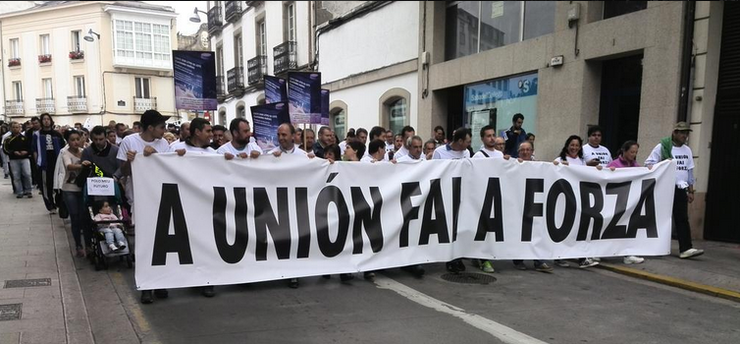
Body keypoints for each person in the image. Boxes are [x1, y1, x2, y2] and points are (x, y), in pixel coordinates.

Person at [645, 122, 704, 259]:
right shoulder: (663, 147)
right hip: (665, 187)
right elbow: (649, 164)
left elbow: (689, 171)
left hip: (680, 188)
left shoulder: (687, 150)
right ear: (675, 133)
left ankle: (686, 248)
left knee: (682, 218)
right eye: (682, 133)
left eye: (686, 133)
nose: (685, 135)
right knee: (661, 218)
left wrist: (691, 190)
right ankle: (654, 246)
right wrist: (664, 163)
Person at [553, 135, 600, 269]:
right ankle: (559, 256)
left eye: (577, 146)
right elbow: (552, 171)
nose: (574, 148)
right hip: (564, 200)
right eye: (572, 145)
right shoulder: (560, 159)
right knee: (563, 228)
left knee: (579, 229)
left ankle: (582, 258)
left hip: (579, 201)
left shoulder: (581, 162)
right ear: (567, 145)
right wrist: (559, 165)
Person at [512, 141, 554, 272]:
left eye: (528, 150)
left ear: (532, 151)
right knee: (519, 232)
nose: (525, 152)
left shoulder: (539, 166)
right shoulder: (513, 164)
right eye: (522, 150)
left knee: (536, 231)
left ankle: (538, 260)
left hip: (534, 203)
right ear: (518, 152)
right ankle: (518, 260)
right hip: (518, 204)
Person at [433, 128, 471, 273]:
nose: (469, 144)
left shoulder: (467, 153)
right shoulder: (440, 152)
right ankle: (450, 259)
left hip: (462, 194)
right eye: (467, 141)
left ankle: (458, 257)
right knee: (448, 228)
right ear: (460, 141)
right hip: (446, 194)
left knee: (460, 227)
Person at [606, 140, 645, 265]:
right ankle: (600, 252)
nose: (634, 155)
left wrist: (650, 170)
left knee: (629, 227)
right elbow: (604, 179)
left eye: (636, 152)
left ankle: (628, 253)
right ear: (624, 151)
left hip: (630, 202)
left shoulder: (636, 166)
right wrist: (609, 171)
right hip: (615, 202)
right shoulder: (614, 164)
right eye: (632, 152)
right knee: (610, 227)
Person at [58, 129, 91, 257]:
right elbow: (69, 166)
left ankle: (88, 245)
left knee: (85, 218)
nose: (76, 142)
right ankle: (78, 245)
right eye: (72, 140)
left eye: (78, 139)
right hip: (70, 189)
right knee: (75, 218)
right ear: (68, 141)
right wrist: (82, 165)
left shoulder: (84, 152)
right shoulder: (65, 152)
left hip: (82, 188)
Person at [33, 113, 65, 213]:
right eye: (44, 119)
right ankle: (50, 206)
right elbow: (34, 150)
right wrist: (37, 162)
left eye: (48, 119)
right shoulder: (37, 135)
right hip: (44, 163)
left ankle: (58, 202)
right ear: (41, 121)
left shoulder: (57, 134)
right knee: (46, 185)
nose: (46, 121)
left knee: (58, 183)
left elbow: (63, 148)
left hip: (56, 162)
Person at [3, 122, 33, 198]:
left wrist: (26, 152)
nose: (15, 129)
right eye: (13, 127)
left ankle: (28, 190)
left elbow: (30, 148)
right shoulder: (8, 139)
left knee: (27, 174)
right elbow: (5, 149)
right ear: (11, 128)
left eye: (17, 127)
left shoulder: (25, 138)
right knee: (16, 176)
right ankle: (19, 191)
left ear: (20, 128)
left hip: (25, 159)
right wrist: (13, 152)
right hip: (14, 160)